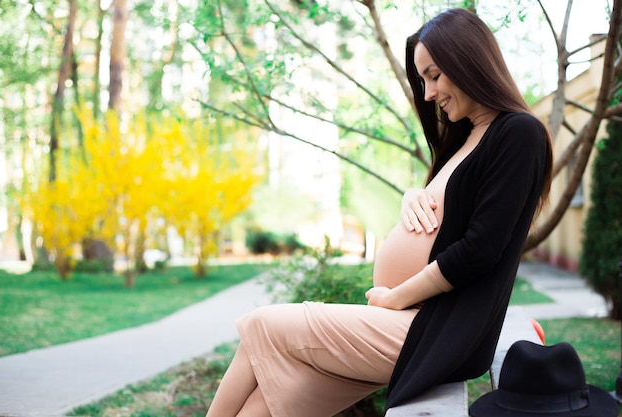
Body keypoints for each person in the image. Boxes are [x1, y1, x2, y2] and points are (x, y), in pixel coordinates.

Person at [205, 7, 553, 417]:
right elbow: (447, 210)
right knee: (263, 401)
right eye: (423, 79)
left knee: (261, 326)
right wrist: (413, 194)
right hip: (409, 325)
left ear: (470, 62)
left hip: (434, 332)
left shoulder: (518, 133)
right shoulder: (467, 137)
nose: (427, 94)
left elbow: (481, 249)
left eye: (435, 75)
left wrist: (394, 298)